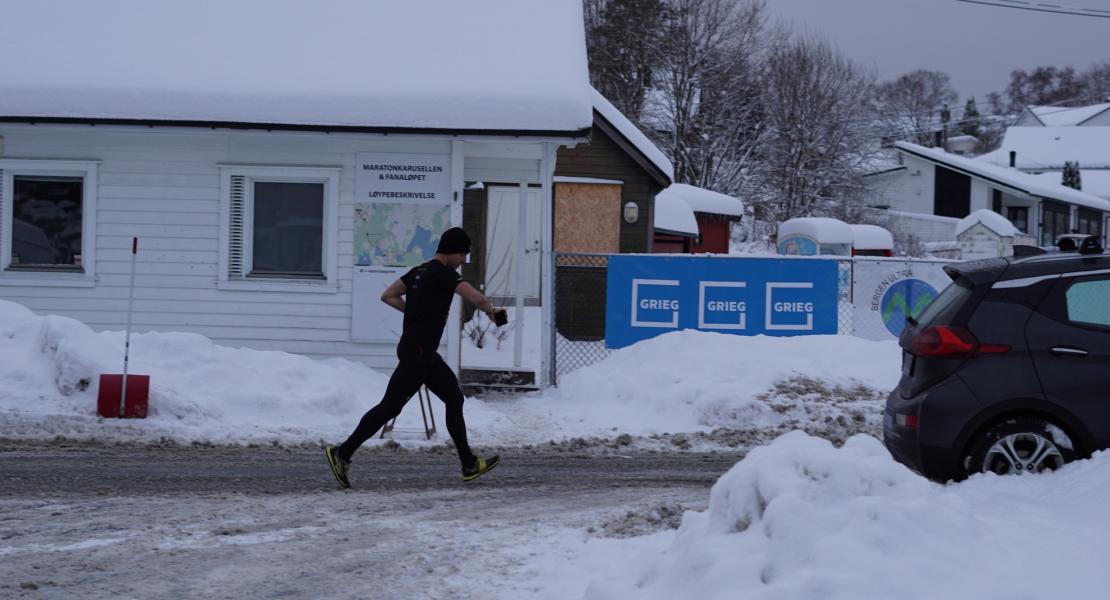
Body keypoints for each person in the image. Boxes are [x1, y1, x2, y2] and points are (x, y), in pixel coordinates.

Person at [325, 227, 504, 488]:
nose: (464, 260)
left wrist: (415, 313)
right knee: (390, 407)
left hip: (420, 351)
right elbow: (476, 297)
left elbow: (388, 295)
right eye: (463, 254)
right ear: (453, 251)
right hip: (418, 352)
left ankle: (468, 463)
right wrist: (492, 311)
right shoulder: (444, 273)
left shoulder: (418, 271)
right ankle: (343, 452)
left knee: (454, 398)